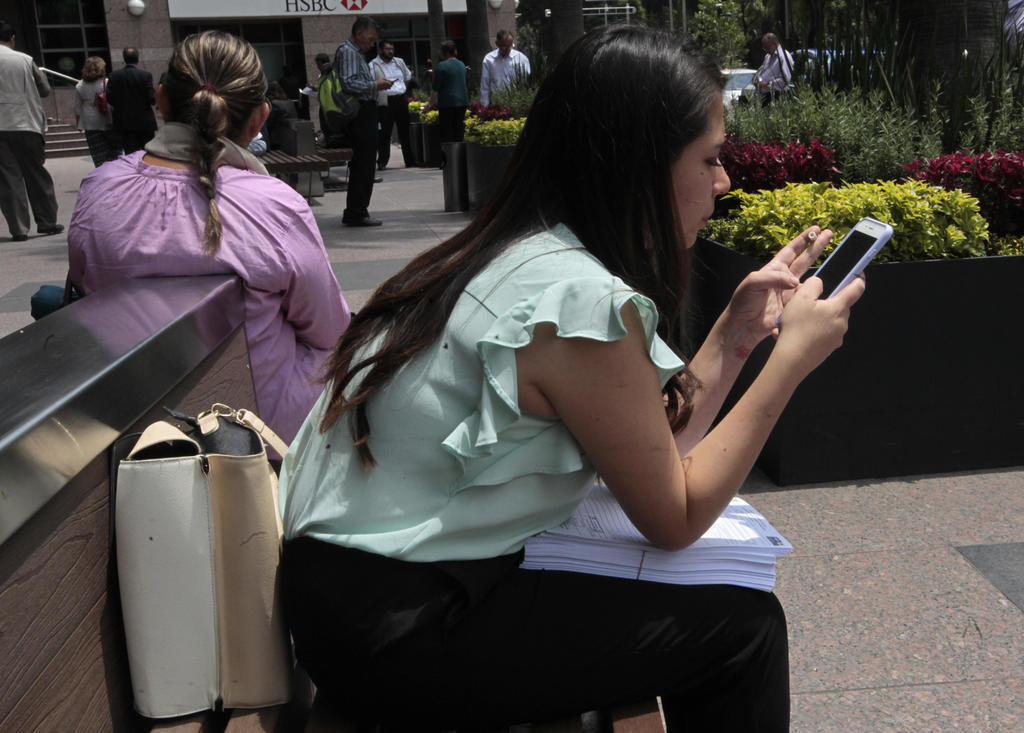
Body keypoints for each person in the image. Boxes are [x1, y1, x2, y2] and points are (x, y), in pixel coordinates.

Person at [279, 25, 864, 731]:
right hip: (402, 628)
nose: (723, 181)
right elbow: (675, 517)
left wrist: (737, 337)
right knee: (745, 631)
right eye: (709, 158)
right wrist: (790, 362)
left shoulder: (514, 251)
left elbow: (651, 451)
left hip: (350, 596)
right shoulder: (580, 301)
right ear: (639, 166)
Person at [68, 31, 351, 445]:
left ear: (161, 100)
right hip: (259, 435)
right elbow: (329, 330)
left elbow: (85, 285)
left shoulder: (99, 188)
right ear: (259, 117)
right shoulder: (275, 205)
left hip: (133, 431)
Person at [0, 20, 62, 242]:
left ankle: (19, 229)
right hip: (27, 123)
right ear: (12, 38)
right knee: (36, 173)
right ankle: (47, 222)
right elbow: (44, 90)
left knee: (8, 178)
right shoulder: (25, 59)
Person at [334, 16, 392, 227]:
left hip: (365, 112)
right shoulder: (349, 52)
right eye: (371, 38)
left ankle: (357, 210)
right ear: (359, 34)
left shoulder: (355, 53)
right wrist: (375, 85)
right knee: (364, 163)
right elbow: (349, 83)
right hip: (360, 113)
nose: (373, 43)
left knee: (365, 163)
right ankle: (356, 212)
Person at [370, 39, 413, 169]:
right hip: (386, 101)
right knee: (385, 133)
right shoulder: (373, 64)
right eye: (387, 49)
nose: (390, 51)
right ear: (381, 50)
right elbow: (371, 83)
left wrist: (401, 89)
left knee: (405, 131)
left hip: (400, 99)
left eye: (392, 49)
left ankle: (410, 161)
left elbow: (407, 77)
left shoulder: (399, 62)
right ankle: (382, 161)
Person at [106, 47, 158, 153]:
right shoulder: (145, 76)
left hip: (124, 122)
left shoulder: (114, 76)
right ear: (137, 59)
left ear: (124, 59)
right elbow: (151, 98)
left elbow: (110, 98)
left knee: (130, 154)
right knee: (148, 153)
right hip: (145, 122)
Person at [74, 56, 121, 167]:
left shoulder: (80, 85)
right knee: (115, 153)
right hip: (108, 120)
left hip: (90, 124)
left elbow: (77, 107)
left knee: (98, 156)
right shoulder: (107, 82)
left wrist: (78, 123)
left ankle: (102, 174)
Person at [429, 40, 468, 144]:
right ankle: (459, 152)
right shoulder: (461, 65)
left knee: (447, 132)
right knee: (459, 131)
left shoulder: (441, 66)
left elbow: (436, 89)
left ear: (445, 52)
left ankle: (449, 153)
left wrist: (429, 105)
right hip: (462, 102)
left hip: (447, 103)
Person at [479, 29, 530, 106]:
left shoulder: (521, 59)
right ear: (497, 44)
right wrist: (485, 105)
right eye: (504, 46)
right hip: (497, 103)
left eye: (510, 46)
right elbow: (485, 85)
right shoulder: (489, 60)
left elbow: (527, 82)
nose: (507, 49)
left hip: (517, 102)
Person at [755, 32, 794, 105]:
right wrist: (758, 80)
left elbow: (785, 80)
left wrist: (767, 84)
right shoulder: (768, 57)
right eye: (764, 48)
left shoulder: (783, 56)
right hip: (764, 96)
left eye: (767, 47)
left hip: (777, 96)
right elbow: (761, 72)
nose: (766, 50)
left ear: (775, 43)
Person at [265, 80, 298, 150]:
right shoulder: (290, 102)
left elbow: (269, 123)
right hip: (292, 136)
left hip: (278, 140)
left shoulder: (274, 103)